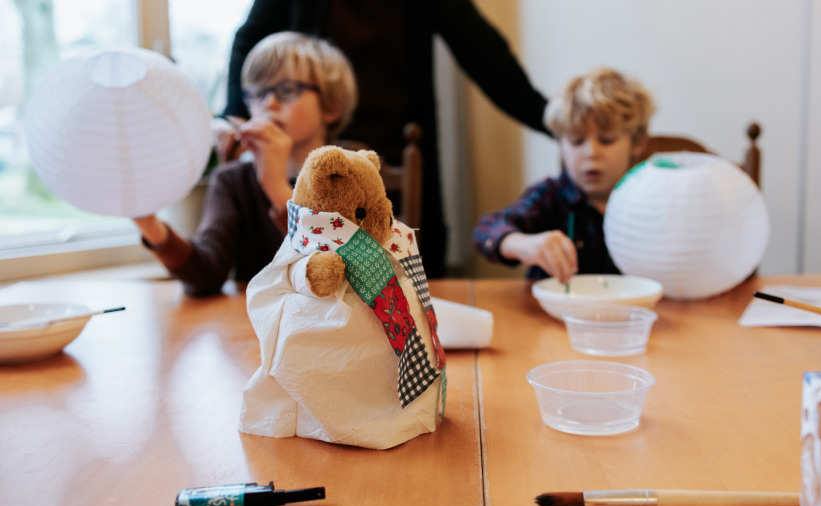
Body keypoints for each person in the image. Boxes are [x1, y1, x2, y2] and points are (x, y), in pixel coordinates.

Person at [217, 0, 551, 278]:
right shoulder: (239, 181)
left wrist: (552, 121)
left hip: (395, 155)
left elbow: (485, 54)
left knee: (402, 281)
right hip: (320, 148)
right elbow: (249, 40)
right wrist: (234, 118)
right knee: (321, 273)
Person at [134, 32, 358, 296]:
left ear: (331, 105)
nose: (268, 104)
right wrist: (149, 223)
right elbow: (206, 276)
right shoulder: (233, 180)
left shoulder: (351, 171)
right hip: (255, 330)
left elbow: (349, 272)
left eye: (287, 90)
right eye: (257, 93)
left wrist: (276, 187)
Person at [472, 67, 655, 283]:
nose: (591, 153)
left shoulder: (651, 199)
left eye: (606, 140)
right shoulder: (551, 195)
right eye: (576, 141)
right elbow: (487, 229)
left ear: (638, 142)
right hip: (553, 314)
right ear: (560, 142)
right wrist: (524, 244)